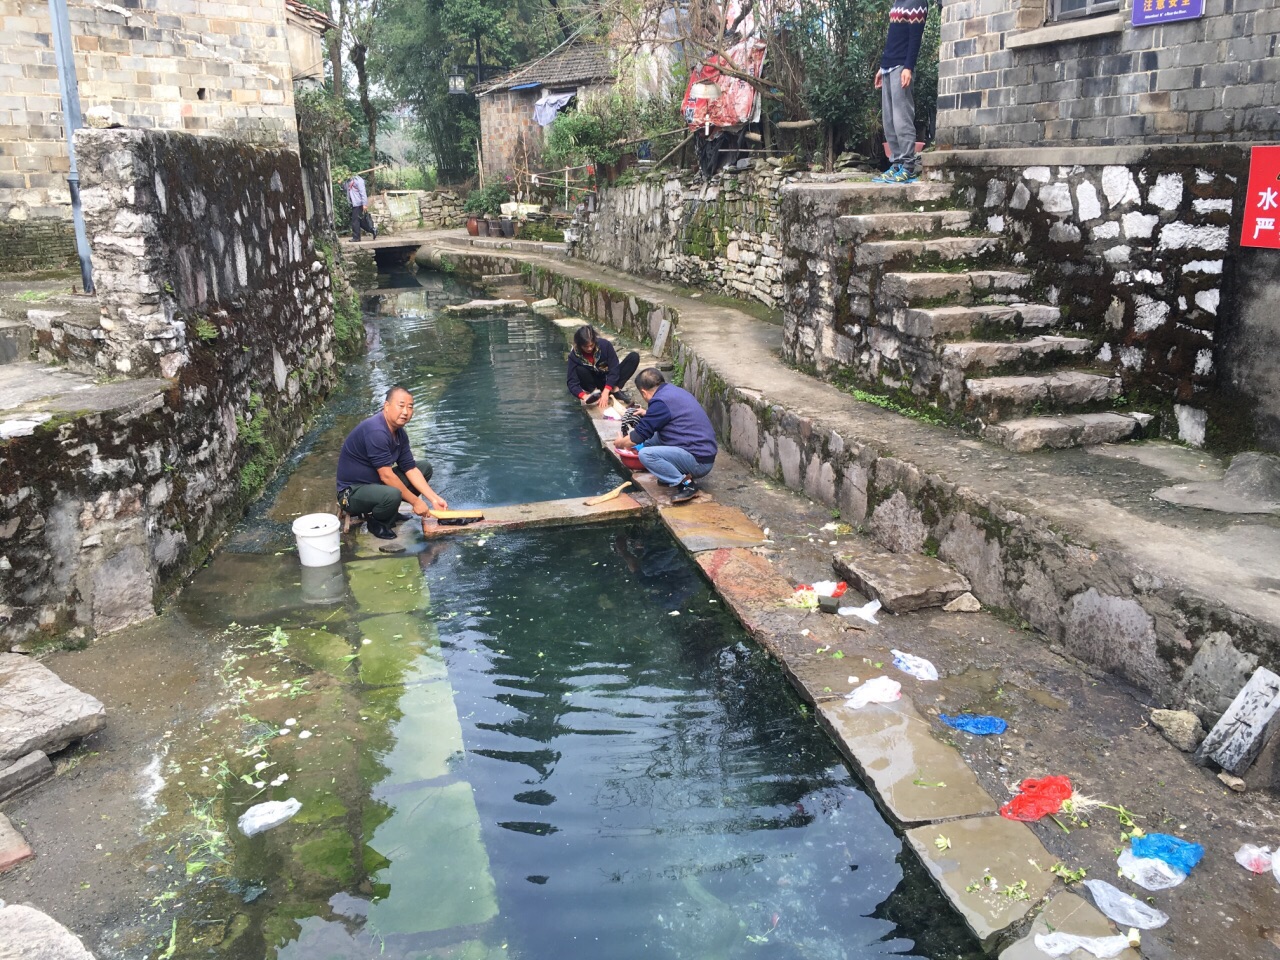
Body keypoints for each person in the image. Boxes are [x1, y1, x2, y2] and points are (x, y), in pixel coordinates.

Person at [336, 386, 447, 539]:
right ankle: (378, 522)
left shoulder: (400, 434)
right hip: (351, 493)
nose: (406, 412)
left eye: (410, 407)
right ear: (386, 406)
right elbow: (386, 477)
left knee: (423, 468)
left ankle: (391, 512)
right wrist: (415, 502)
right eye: (401, 406)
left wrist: (434, 499)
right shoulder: (376, 431)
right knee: (392, 494)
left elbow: (411, 469)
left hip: (375, 485)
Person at [612, 367, 716, 504]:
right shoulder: (672, 391)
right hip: (702, 451)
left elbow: (637, 437)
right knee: (653, 439)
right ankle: (669, 472)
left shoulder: (660, 403)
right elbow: (666, 415)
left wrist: (620, 443)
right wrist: (647, 413)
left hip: (699, 462)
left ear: (643, 392)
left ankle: (687, 485)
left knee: (646, 454)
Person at [872, 0, 928, 185]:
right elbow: (893, 38)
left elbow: (915, 38)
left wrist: (908, 68)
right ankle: (896, 164)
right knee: (888, 120)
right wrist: (882, 67)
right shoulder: (899, 1)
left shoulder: (917, 2)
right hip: (889, 66)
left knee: (901, 118)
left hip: (901, 67)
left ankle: (908, 167)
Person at [566, 325, 640, 411]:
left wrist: (606, 391)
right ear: (579, 345)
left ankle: (615, 389)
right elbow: (572, 382)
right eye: (585, 347)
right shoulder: (574, 356)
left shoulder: (605, 345)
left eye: (591, 345)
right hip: (593, 383)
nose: (589, 348)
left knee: (634, 357)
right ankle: (595, 392)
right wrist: (584, 396)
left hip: (609, 379)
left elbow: (614, 369)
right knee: (580, 369)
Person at [346, 173, 377, 241]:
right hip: (353, 203)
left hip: (358, 203)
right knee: (361, 221)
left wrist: (364, 204)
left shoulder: (358, 180)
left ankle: (356, 237)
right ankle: (373, 230)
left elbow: (363, 193)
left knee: (355, 221)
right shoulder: (349, 180)